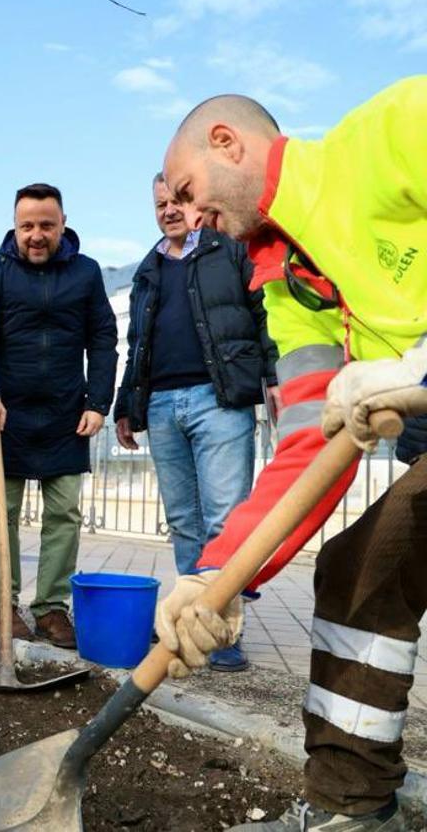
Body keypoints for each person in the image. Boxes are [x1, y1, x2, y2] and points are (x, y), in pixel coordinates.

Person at [158, 76, 427, 831]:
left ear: (226, 142)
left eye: (186, 188)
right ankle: (351, 808)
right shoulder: (283, 285)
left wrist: (421, 366)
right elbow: (313, 446)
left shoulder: (390, 133)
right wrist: (215, 575)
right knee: (360, 570)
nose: (185, 211)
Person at [113, 173, 277, 671]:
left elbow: (262, 311)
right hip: (161, 404)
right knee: (184, 521)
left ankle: (222, 629)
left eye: (176, 201)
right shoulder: (147, 269)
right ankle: (194, 620)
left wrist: (274, 377)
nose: (168, 210)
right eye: (159, 203)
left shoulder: (228, 248)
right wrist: (126, 405)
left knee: (226, 518)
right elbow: (136, 344)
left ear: (194, 201)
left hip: (219, 399)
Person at [0, 183, 117, 648]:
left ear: (62, 225)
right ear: (15, 226)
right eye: (27, 225)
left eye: (46, 225)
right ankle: (3, 605)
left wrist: (97, 402)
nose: (36, 235)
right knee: (0, 517)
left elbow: (103, 339)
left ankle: (50, 609)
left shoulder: (86, 274)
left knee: (64, 515)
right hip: (2, 417)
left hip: (67, 417)